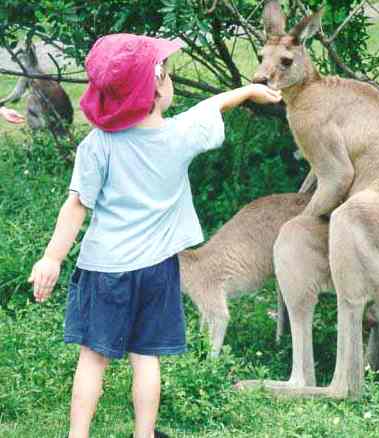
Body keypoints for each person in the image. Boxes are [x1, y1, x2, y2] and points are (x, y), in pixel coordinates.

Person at [28, 33, 282, 438]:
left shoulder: (97, 145)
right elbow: (213, 105)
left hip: (105, 270)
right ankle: (143, 434)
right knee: (146, 359)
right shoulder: (179, 136)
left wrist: (52, 259)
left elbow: (77, 205)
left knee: (93, 359)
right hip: (158, 271)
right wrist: (250, 90)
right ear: (158, 87)